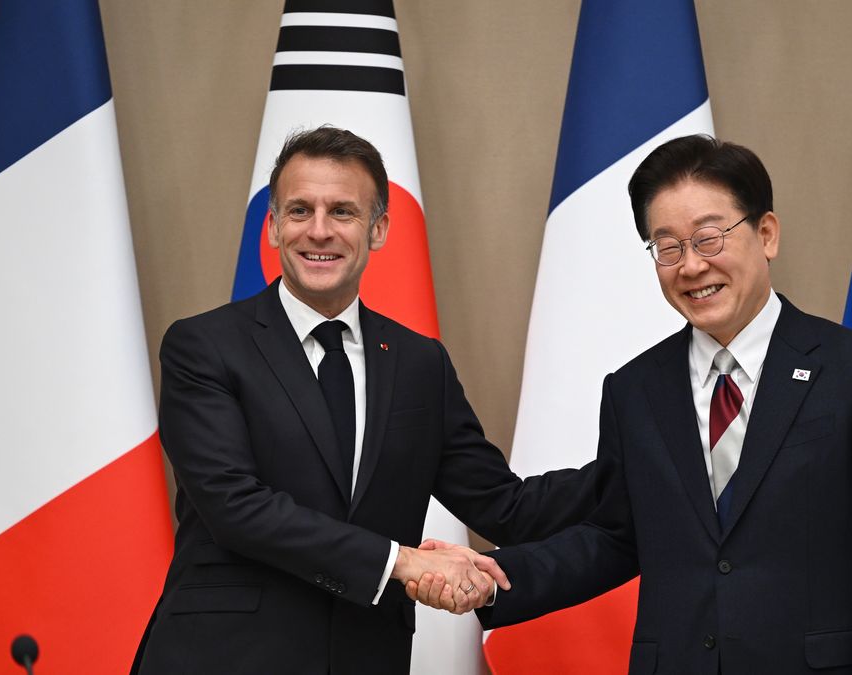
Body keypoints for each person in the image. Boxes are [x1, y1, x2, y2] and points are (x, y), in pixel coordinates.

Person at [412, 134, 852, 674]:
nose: (690, 266)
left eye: (708, 239)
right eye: (668, 247)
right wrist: (493, 579)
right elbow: (617, 539)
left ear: (767, 234)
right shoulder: (636, 389)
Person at [131, 126, 595, 675]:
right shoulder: (203, 346)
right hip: (224, 656)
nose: (319, 231)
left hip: (366, 656)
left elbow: (506, 507)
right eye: (300, 210)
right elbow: (236, 507)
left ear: (378, 229)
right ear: (274, 227)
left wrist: (640, 468)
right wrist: (401, 563)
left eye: (343, 212)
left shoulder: (420, 363)